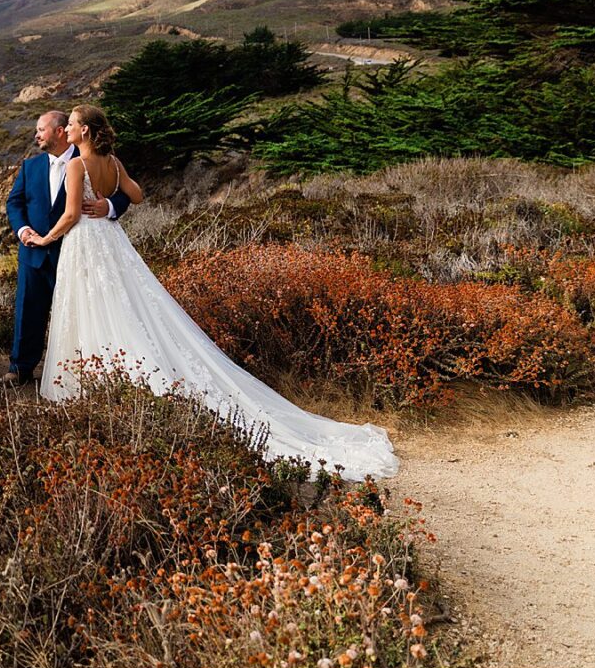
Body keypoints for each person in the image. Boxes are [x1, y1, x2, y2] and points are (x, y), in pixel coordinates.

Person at [22, 104, 399, 482]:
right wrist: (108, 205)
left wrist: (45, 237)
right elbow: (136, 196)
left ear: (85, 131)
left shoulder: (76, 166)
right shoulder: (113, 162)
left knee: (92, 308)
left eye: (71, 124)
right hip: (110, 240)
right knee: (118, 306)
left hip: (84, 243)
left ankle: (93, 387)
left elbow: (71, 215)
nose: (67, 129)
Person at [3, 109, 134, 386]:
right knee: (28, 309)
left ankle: (80, 368)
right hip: (34, 251)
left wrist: (108, 206)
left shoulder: (87, 159)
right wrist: (24, 230)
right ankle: (20, 368)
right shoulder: (30, 166)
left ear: (61, 131)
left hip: (76, 250)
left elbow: (123, 195)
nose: (36, 134)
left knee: (79, 310)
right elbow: (14, 203)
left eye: (41, 129)